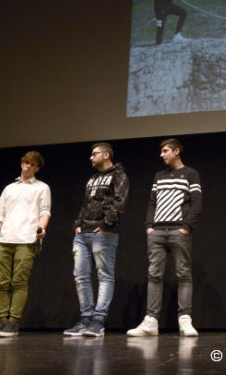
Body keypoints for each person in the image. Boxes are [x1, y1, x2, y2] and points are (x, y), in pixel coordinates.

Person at [127, 138, 202, 337]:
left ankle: (185, 320)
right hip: (157, 232)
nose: (162, 155)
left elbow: (196, 203)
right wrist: (149, 227)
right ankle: (151, 321)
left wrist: (186, 227)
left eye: (166, 151)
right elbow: (152, 203)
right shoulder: (159, 175)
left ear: (176, 151)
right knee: (154, 275)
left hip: (179, 231)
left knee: (184, 275)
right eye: (161, 151)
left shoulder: (190, 174)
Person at [0, 151, 51, 338]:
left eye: (32, 164)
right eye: (25, 163)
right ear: (21, 163)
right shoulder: (9, 188)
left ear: (37, 168)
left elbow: (45, 211)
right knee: (1, 282)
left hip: (26, 239)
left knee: (19, 281)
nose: (27, 167)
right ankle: (2, 319)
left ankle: (13, 322)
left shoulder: (42, 188)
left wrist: (41, 228)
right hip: (4, 239)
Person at [64, 143, 129, 337]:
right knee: (81, 276)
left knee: (104, 275)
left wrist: (107, 225)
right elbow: (86, 204)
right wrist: (78, 223)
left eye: (94, 154)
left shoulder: (119, 175)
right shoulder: (92, 178)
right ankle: (85, 319)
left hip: (103, 233)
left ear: (106, 154)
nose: (91, 158)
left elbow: (121, 201)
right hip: (83, 232)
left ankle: (98, 320)